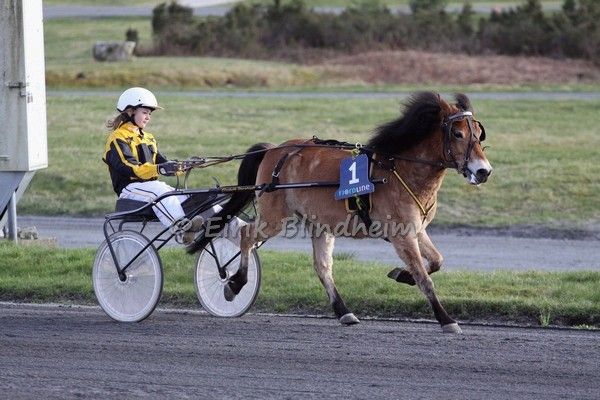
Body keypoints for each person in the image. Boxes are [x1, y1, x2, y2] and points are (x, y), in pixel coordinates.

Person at [102, 87, 202, 244]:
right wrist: (159, 169)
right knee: (161, 192)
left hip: (152, 188)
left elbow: (163, 163)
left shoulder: (148, 138)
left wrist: (184, 165)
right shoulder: (117, 138)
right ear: (130, 111)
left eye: (149, 113)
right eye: (144, 112)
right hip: (130, 190)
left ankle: (229, 229)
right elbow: (131, 168)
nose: (148, 117)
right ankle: (182, 229)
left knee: (189, 197)